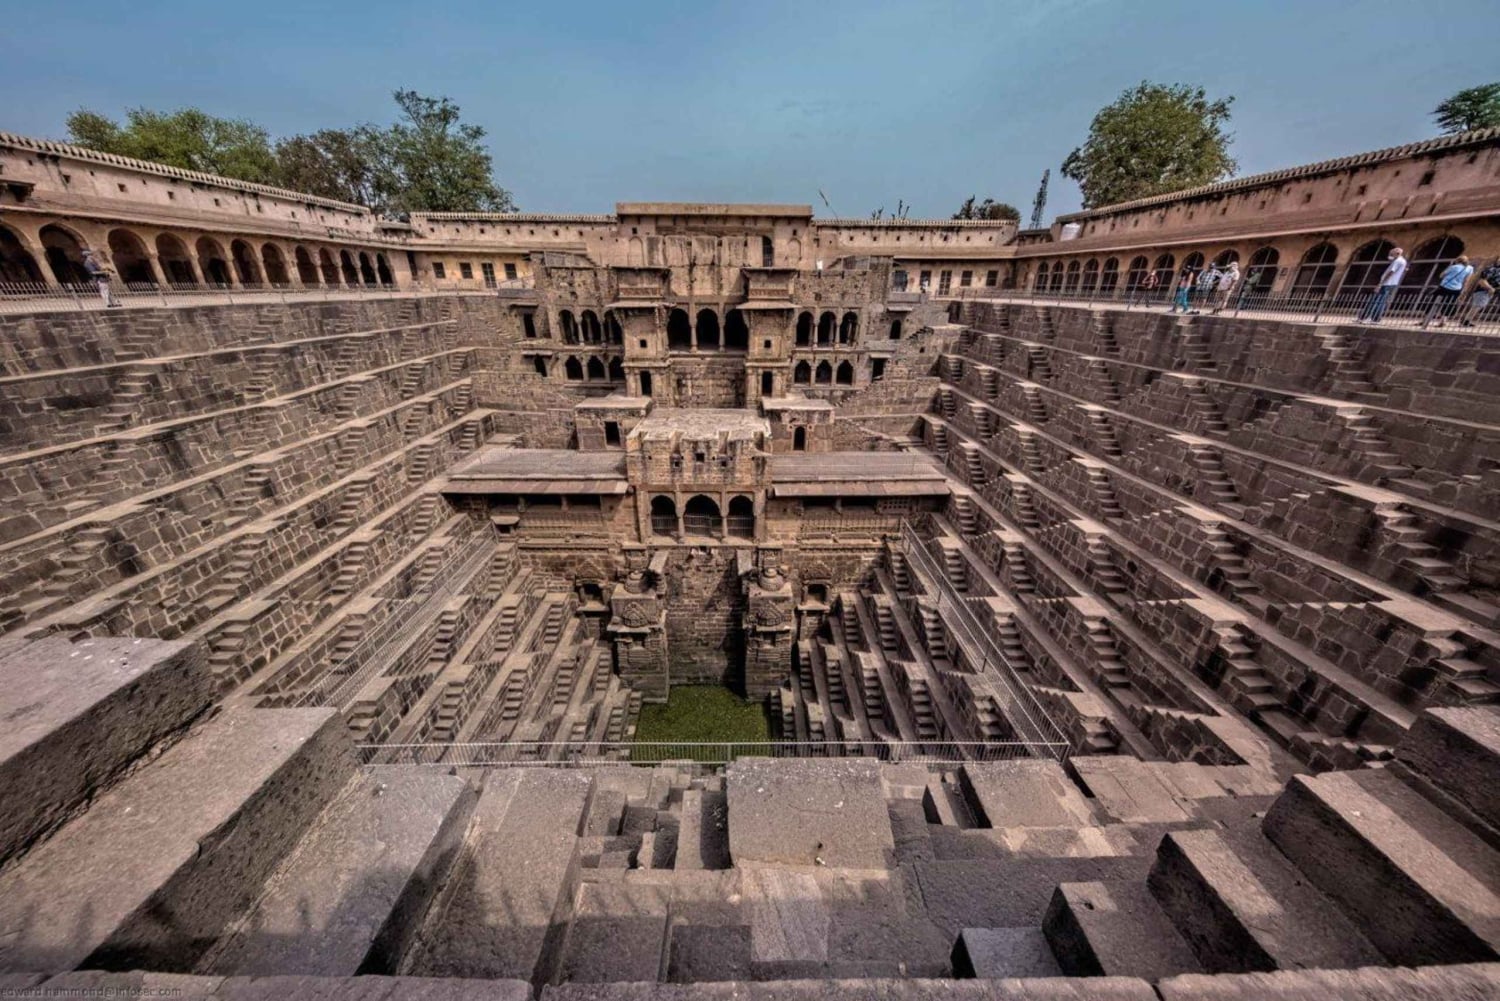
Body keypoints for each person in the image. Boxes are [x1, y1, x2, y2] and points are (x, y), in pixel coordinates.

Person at [1420, 254, 1474, 329]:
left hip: (1444, 287)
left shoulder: (1453, 267)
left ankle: (1425, 320)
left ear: (1457, 260)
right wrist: (1463, 290)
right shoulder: (1470, 268)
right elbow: (1466, 280)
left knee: (1433, 302)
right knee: (1448, 304)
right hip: (1457, 289)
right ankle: (1443, 321)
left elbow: (1441, 275)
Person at [1357, 247, 1406, 324]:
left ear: (1397, 253)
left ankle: (1370, 318)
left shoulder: (1398, 261)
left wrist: (1381, 283)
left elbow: (1391, 273)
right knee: (1381, 301)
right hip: (1390, 284)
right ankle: (1373, 319)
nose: (1390, 255)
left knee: (1377, 301)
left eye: (1392, 253)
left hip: (1387, 284)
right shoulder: (1402, 261)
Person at [1459, 259, 1500, 327]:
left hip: (1488, 291)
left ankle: (1466, 320)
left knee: (1478, 306)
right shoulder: (1492, 269)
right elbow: (1482, 280)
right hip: (1483, 291)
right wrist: (1490, 288)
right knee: (1478, 306)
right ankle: (1465, 320)